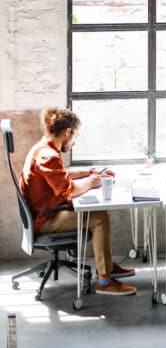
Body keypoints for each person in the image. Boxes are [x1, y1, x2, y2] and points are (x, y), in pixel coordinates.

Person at [19, 108, 136, 296]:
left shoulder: (43, 148)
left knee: (100, 215)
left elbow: (62, 176)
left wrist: (91, 173)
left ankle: (106, 267)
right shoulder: (48, 156)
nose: (73, 142)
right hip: (46, 220)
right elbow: (69, 190)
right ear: (67, 132)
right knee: (99, 218)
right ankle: (104, 280)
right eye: (75, 136)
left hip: (47, 212)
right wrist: (93, 182)